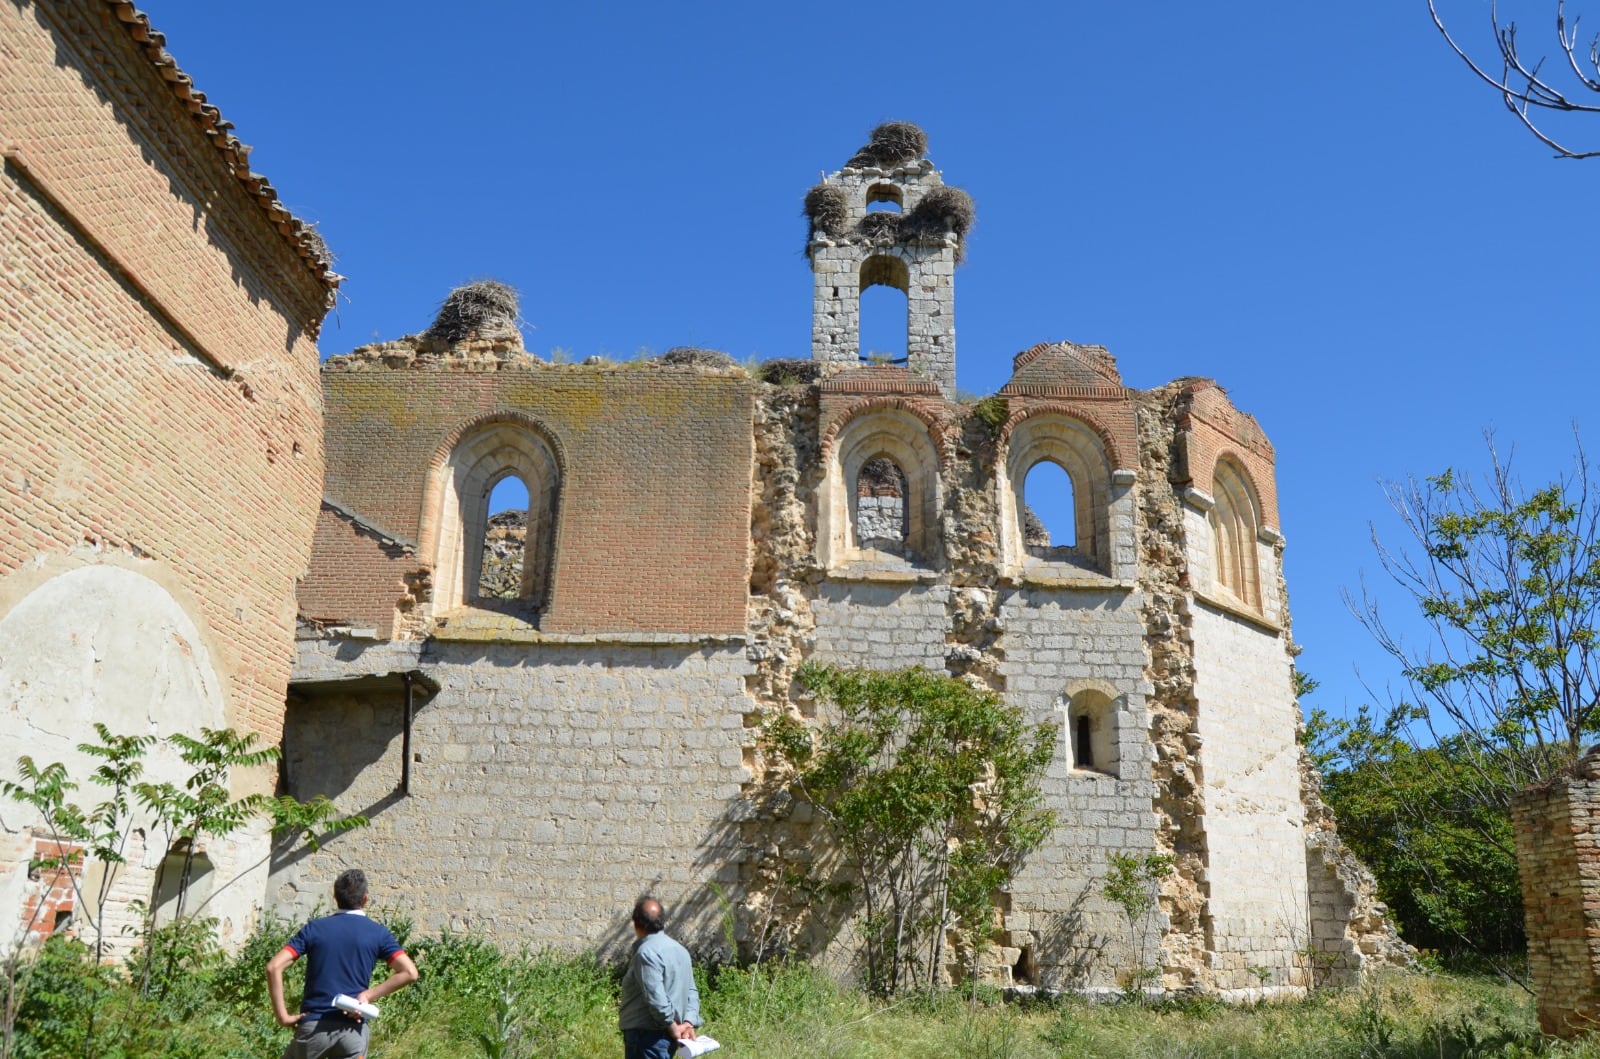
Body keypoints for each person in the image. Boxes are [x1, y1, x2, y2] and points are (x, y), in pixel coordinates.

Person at [266, 868, 419, 1059]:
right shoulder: (378, 933)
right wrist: (368, 995)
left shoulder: (315, 929)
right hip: (353, 1031)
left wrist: (283, 1017)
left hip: (315, 1027)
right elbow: (410, 972)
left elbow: (273, 967)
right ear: (365, 899)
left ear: (335, 897)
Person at [618, 895, 702, 1059]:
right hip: (664, 1036)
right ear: (662, 921)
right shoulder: (680, 950)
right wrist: (688, 1023)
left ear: (635, 923)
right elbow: (691, 991)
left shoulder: (645, 953)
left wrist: (672, 1027)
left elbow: (656, 998)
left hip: (647, 1037)